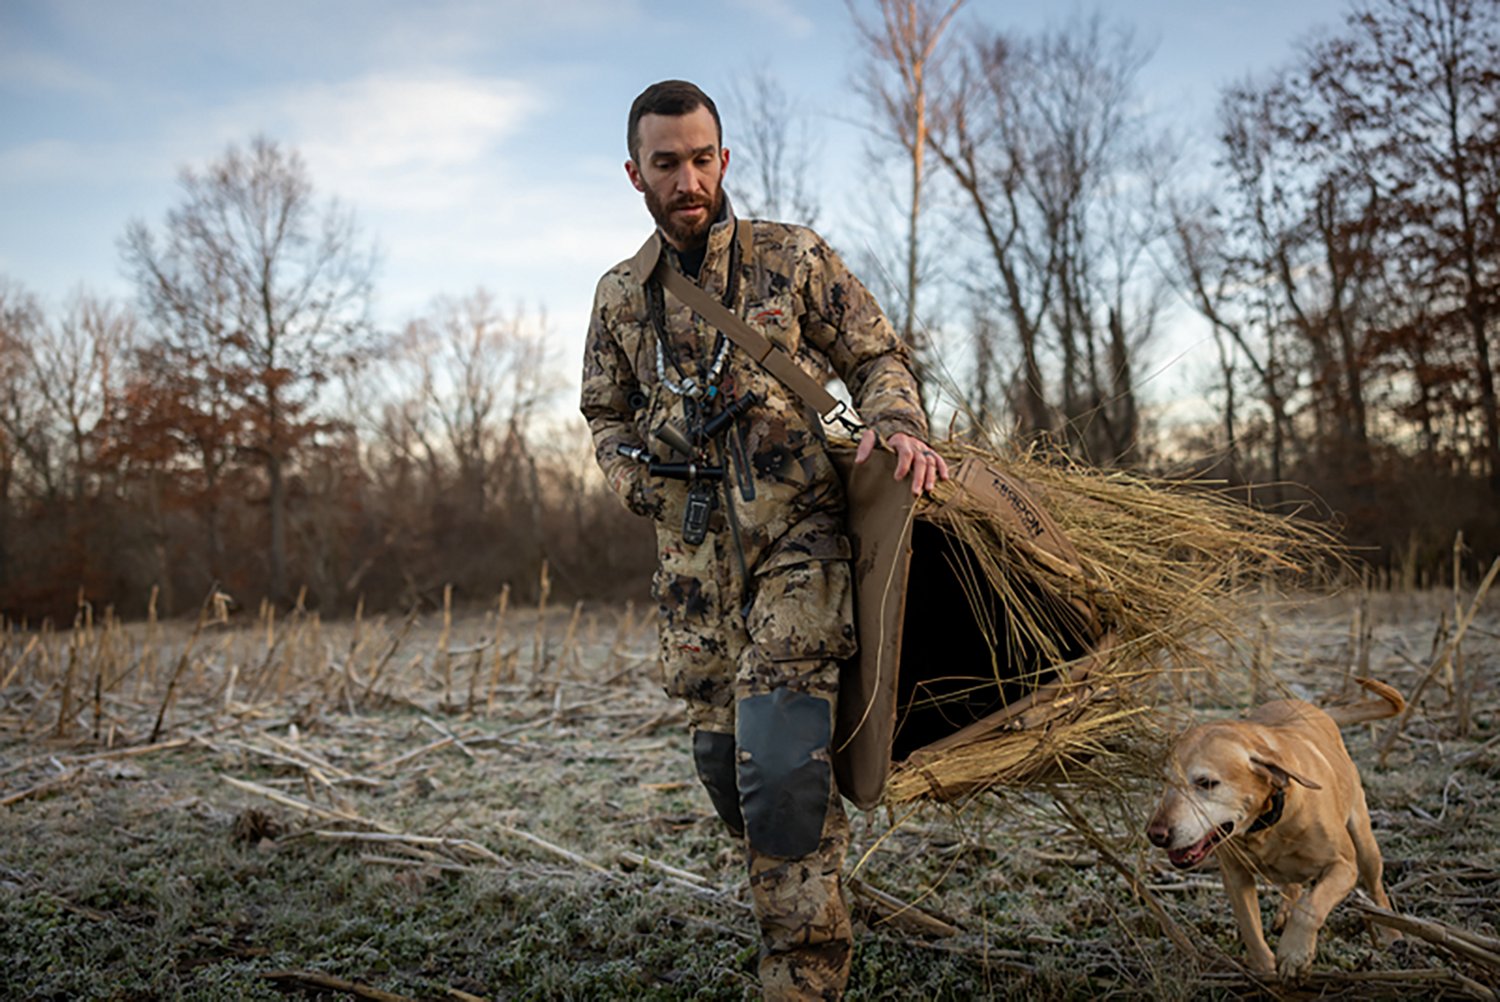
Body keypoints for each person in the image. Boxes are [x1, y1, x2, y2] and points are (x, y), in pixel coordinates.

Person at [580, 79, 948, 1000]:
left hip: (801, 547)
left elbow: (877, 355)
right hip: (694, 578)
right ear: (636, 173)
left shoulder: (792, 258)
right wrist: (634, 478)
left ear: (725, 160)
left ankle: (800, 974)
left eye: (703, 158)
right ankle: (808, 890)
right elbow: (602, 417)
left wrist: (897, 421)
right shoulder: (621, 298)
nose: (689, 178)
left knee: (782, 765)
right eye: (667, 163)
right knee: (728, 772)